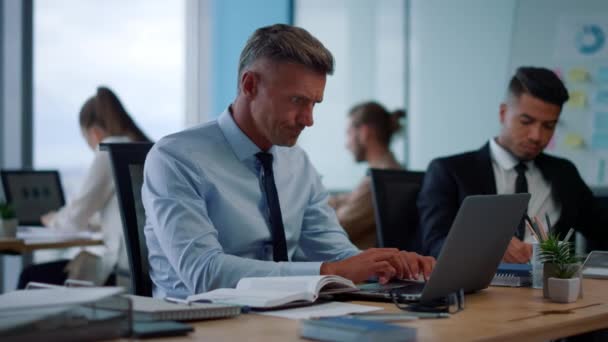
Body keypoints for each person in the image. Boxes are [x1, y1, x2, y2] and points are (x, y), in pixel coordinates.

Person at [142, 24, 435, 298]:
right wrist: (329, 272)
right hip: (201, 324)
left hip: (285, 318)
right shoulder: (175, 158)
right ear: (249, 85)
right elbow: (205, 273)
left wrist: (388, 265)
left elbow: (335, 253)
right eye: (297, 101)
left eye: (314, 104)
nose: (308, 120)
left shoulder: (298, 164)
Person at [417, 66, 608, 262]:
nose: (537, 136)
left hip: (547, 285)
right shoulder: (450, 171)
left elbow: (602, 230)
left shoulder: (564, 173)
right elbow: (433, 245)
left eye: (548, 126)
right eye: (526, 121)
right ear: (503, 113)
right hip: (483, 286)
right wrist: (484, 247)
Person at [17, 86, 151, 288]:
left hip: (124, 272)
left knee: (30, 275)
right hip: (150, 273)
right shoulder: (145, 148)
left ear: (94, 134)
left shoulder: (110, 149)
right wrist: (96, 222)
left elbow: (74, 220)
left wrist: (54, 220)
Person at [328, 101, 404, 249]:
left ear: (364, 132)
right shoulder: (391, 172)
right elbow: (346, 200)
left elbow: (334, 227)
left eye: (348, 133)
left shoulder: (378, 181)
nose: (347, 144)